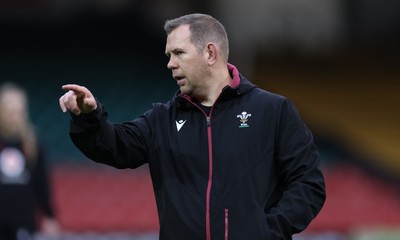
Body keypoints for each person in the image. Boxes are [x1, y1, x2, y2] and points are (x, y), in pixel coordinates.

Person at [59, 13, 326, 240]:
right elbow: (114, 147)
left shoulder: (273, 110)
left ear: (210, 53)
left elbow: (309, 183)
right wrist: (89, 117)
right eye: (168, 54)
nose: (169, 63)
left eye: (178, 53)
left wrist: (266, 231)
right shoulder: (161, 119)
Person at [0, 82, 60, 240]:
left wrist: (49, 215)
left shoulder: (32, 143)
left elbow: (41, 182)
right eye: (9, 112)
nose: (14, 117)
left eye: (18, 112)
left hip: (23, 220)